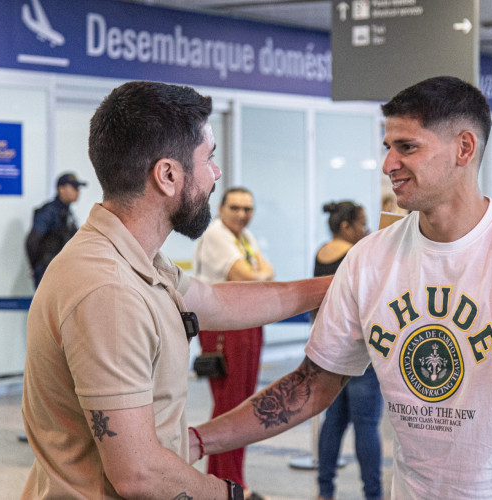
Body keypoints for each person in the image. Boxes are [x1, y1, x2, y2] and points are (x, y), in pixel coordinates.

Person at [194, 76, 492, 500]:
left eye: (407, 147)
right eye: (388, 147)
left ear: (464, 148)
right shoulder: (368, 258)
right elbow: (311, 385)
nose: (388, 164)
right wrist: (196, 440)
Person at [20, 81, 331, 499]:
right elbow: (140, 474)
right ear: (167, 175)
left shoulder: (137, 257)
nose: (216, 174)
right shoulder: (108, 290)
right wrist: (232, 494)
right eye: (210, 159)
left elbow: (217, 300)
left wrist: (337, 286)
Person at [192, 186, 274, 498]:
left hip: (247, 321)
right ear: (222, 208)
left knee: (243, 404)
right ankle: (226, 481)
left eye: (247, 209)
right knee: (230, 406)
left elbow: (267, 270)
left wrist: (258, 275)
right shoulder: (216, 235)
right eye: (236, 208)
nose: (242, 214)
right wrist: (258, 275)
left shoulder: (244, 238)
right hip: (225, 329)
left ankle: (225, 478)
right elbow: (250, 275)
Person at [313, 201, 383, 500]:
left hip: (330, 350)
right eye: (361, 223)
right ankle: (374, 494)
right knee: (366, 425)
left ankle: (325, 491)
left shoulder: (321, 253)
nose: (365, 229)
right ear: (346, 227)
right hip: (359, 350)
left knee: (334, 422)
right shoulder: (356, 255)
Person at [25, 172, 86, 288]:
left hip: (62, 270)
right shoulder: (49, 212)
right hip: (48, 270)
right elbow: (32, 240)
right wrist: (37, 266)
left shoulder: (67, 212)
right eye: (74, 187)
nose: (77, 191)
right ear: (61, 189)